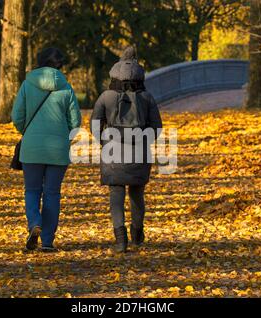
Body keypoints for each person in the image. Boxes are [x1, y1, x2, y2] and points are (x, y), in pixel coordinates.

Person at [90, 46, 163, 253]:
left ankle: (120, 240)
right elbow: (157, 126)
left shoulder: (106, 96)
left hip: (113, 150)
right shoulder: (146, 97)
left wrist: (104, 140)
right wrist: (143, 139)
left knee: (116, 194)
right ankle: (137, 235)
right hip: (139, 151)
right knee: (137, 193)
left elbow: (95, 123)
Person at [11, 48, 82, 252]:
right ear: (59, 65)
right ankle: (48, 241)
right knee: (52, 193)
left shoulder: (27, 85)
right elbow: (75, 121)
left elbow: (17, 116)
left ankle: (34, 223)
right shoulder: (66, 87)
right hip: (58, 149)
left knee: (32, 190)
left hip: (32, 148)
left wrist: (28, 130)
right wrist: (63, 134)